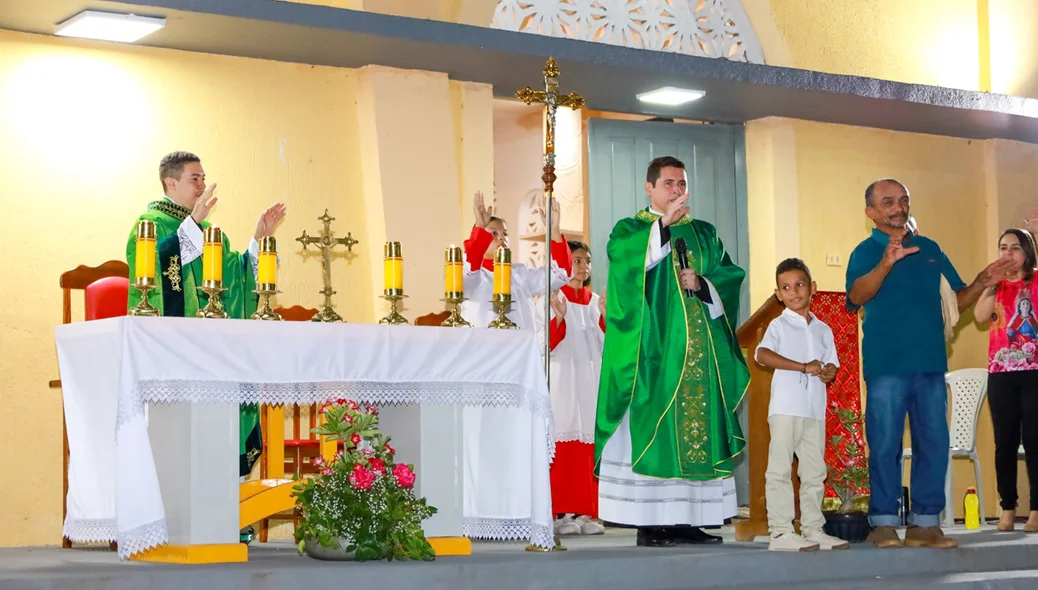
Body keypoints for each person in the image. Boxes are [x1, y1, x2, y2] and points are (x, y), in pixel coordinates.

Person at [126, 151, 286, 540]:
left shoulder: (208, 230)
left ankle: (222, 515)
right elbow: (158, 265)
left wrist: (259, 239)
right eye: (195, 178)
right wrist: (194, 223)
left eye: (202, 177)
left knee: (225, 416)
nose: (202, 185)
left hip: (212, 352)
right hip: (174, 352)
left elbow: (233, 274)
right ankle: (177, 519)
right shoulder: (150, 224)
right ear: (171, 183)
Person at [845, 178, 1013, 549]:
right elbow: (856, 296)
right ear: (870, 212)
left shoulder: (930, 248)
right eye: (887, 201)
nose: (897, 206)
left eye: (903, 199)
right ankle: (884, 521)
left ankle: (925, 523)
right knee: (885, 442)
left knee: (933, 442)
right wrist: (886, 263)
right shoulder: (864, 251)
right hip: (887, 365)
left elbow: (957, 299)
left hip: (931, 363)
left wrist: (985, 280)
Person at [595, 156, 748, 547]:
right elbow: (626, 270)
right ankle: (650, 524)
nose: (677, 190)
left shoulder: (704, 233)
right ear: (650, 188)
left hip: (699, 357)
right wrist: (661, 226)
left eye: (681, 183)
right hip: (655, 355)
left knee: (696, 435)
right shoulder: (631, 230)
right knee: (656, 433)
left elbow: (730, 276)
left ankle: (687, 520)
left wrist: (704, 283)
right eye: (668, 184)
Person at [755, 258, 848, 551]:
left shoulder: (823, 329)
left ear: (813, 288)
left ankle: (813, 528)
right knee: (780, 469)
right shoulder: (778, 325)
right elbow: (762, 355)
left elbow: (831, 362)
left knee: (813, 471)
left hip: (813, 409)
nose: (794, 292)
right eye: (786, 288)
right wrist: (802, 366)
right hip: (785, 408)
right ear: (778, 294)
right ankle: (781, 531)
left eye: (799, 285)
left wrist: (829, 371)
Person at [972, 228, 1038, 533]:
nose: (1007, 253)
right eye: (1002, 248)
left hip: (1034, 372)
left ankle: (1036, 508)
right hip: (1001, 373)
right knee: (1005, 443)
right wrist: (990, 285)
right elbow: (980, 316)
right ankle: (1007, 507)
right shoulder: (995, 286)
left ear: (1027, 251)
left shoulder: (1036, 280)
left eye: (1014, 247)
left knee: (1035, 441)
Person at [545, 241, 606, 536]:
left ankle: (585, 512)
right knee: (563, 437)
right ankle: (559, 512)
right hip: (563, 378)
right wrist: (557, 317)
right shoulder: (553, 297)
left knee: (588, 442)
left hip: (590, 379)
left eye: (587, 261)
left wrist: (608, 317)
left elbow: (608, 346)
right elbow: (547, 345)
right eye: (577, 260)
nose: (583, 267)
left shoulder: (596, 302)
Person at [461, 191, 573, 328]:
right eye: (493, 233)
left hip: (520, 345)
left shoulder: (520, 273)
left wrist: (554, 230)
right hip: (484, 346)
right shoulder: (472, 275)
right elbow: (471, 267)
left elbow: (560, 274)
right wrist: (479, 226)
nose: (501, 238)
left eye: (505, 234)